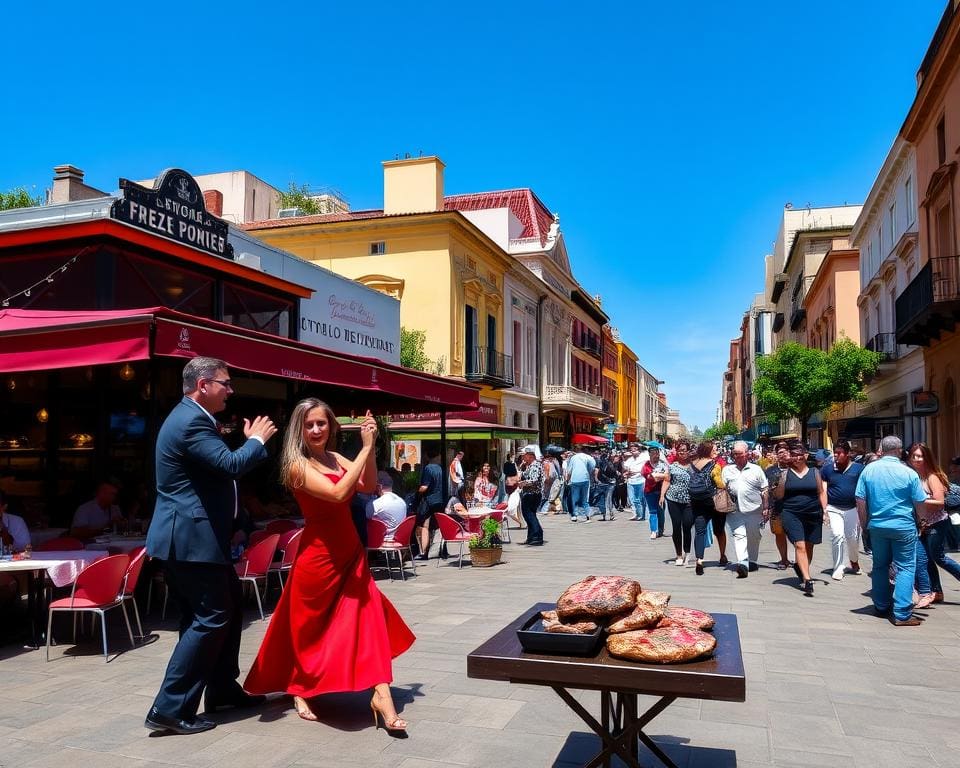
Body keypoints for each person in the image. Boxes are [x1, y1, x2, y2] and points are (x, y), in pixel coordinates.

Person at [243, 398, 413, 731]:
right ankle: (299, 689)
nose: (316, 429)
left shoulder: (335, 458)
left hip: (350, 553)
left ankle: (382, 696)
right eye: (309, 425)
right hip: (319, 559)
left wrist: (371, 449)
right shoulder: (296, 465)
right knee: (309, 632)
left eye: (321, 423)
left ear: (331, 426)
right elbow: (337, 494)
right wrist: (365, 449)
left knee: (370, 621)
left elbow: (366, 485)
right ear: (299, 430)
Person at [145, 357, 277, 736]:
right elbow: (229, 464)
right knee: (210, 618)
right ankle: (169, 708)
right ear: (203, 385)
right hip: (190, 540)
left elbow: (217, 467)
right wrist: (256, 441)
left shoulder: (194, 418)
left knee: (226, 610)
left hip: (196, 540)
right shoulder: (190, 421)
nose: (230, 390)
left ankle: (221, 689)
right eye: (226, 383)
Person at [855, 435, 932, 626]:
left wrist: (864, 524)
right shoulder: (909, 472)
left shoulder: (869, 470)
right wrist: (922, 521)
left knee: (880, 566)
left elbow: (860, 500)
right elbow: (919, 501)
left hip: (878, 526)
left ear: (882, 449)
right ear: (899, 451)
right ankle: (902, 613)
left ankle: (881, 605)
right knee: (905, 567)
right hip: (903, 526)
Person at [908, 442, 958, 606]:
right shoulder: (917, 476)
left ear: (927, 457)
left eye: (920, 456)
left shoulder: (932, 477)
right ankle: (936, 591)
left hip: (937, 523)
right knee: (925, 558)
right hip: (924, 524)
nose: (916, 459)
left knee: (938, 557)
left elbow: (940, 502)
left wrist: (920, 500)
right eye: (914, 456)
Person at [772, 442, 823, 596]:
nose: (797, 458)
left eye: (799, 454)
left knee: (809, 545)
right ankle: (807, 580)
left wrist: (825, 511)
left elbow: (821, 492)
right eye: (793, 455)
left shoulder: (815, 472)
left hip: (813, 513)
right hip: (791, 513)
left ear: (805, 455)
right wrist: (778, 482)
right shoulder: (785, 474)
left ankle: (801, 568)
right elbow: (778, 496)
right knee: (800, 545)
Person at [721, 441, 768, 578]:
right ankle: (742, 563)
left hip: (754, 509)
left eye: (739, 454)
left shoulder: (756, 469)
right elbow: (722, 488)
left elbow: (764, 489)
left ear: (747, 454)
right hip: (735, 510)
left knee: (754, 536)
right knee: (739, 535)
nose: (737, 456)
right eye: (734, 454)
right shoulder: (727, 470)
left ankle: (752, 560)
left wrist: (766, 507)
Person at [819, 440, 863, 581]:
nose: (836, 456)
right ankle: (838, 567)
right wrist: (824, 510)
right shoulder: (827, 469)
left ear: (848, 453)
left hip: (852, 508)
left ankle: (854, 560)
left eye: (839, 453)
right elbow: (823, 490)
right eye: (835, 453)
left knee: (852, 538)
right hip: (834, 508)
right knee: (837, 536)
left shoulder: (859, 469)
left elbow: (863, 490)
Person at [688, 442, 722, 576]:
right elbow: (719, 483)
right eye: (714, 450)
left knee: (699, 531)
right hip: (711, 501)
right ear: (708, 451)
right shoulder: (714, 465)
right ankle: (723, 556)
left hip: (696, 500)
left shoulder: (692, 464)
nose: (716, 452)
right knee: (719, 530)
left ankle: (699, 560)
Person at [660, 440, 695, 566]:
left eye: (684, 450)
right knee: (676, 526)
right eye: (679, 451)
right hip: (673, 499)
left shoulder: (694, 466)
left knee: (687, 525)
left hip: (689, 501)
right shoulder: (672, 466)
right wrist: (662, 495)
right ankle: (679, 555)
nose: (681, 453)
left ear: (689, 451)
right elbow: (667, 480)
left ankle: (687, 552)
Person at [765, 442, 793, 570]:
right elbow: (765, 489)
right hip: (776, 507)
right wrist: (766, 507)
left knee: (796, 534)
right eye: (780, 452)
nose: (783, 454)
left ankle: (801, 559)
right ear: (776, 455)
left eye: (786, 451)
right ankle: (784, 559)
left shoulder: (796, 468)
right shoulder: (770, 471)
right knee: (779, 533)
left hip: (794, 506)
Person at [415, 448, 445, 560]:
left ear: (427, 456)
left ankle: (423, 552)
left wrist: (416, 492)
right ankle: (442, 550)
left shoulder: (428, 468)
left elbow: (424, 487)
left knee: (425, 526)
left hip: (429, 500)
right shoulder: (441, 468)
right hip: (441, 500)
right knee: (440, 525)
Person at [366, 471, 408, 539]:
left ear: (379, 486)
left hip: (381, 540)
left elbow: (366, 515)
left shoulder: (375, 504)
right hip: (400, 539)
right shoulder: (402, 502)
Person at [517, 445, 544, 545]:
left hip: (532, 494)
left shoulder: (535, 465)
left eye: (524, 455)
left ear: (530, 455)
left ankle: (537, 535)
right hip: (529, 494)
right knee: (530, 515)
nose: (523, 457)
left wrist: (523, 483)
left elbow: (534, 480)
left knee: (529, 515)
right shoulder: (529, 465)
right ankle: (531, 537)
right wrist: (521, 468)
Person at [641, 445, 669, 539]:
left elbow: (667, 476)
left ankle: (660, 530)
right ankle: (653, 530)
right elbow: (652, 478)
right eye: (653, 453)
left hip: (662, 491)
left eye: (657, 453)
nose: (655, 455)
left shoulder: (663, 464)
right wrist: (662, 475)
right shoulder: (646, 465)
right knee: (652, 511)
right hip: (649, 491)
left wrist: (659, 475)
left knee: (661, 511)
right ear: (649, 454)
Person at [564, 445, 596, 522]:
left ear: (575, 450)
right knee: (585, 499)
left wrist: (567, 480)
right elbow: (593, 465)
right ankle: (588, 515)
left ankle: (575, 515)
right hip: (585, 479)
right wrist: (588, 472)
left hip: (575, 479)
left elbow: (569, 471)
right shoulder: (587, 457)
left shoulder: (573, 458)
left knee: (575, 498)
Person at [623, 444, 647, 522]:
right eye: (631, 450)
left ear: (639, 451)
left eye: (634, 450)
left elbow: (648, 467)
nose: (632, 451)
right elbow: (625, 468)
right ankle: (637, 514)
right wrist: (627, 472)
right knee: (632, 499)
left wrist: (638, 472)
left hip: (641, 480)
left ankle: (642, 515)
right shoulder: (630, 460)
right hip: (631, 481)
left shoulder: (644, 457)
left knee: (640, 499)